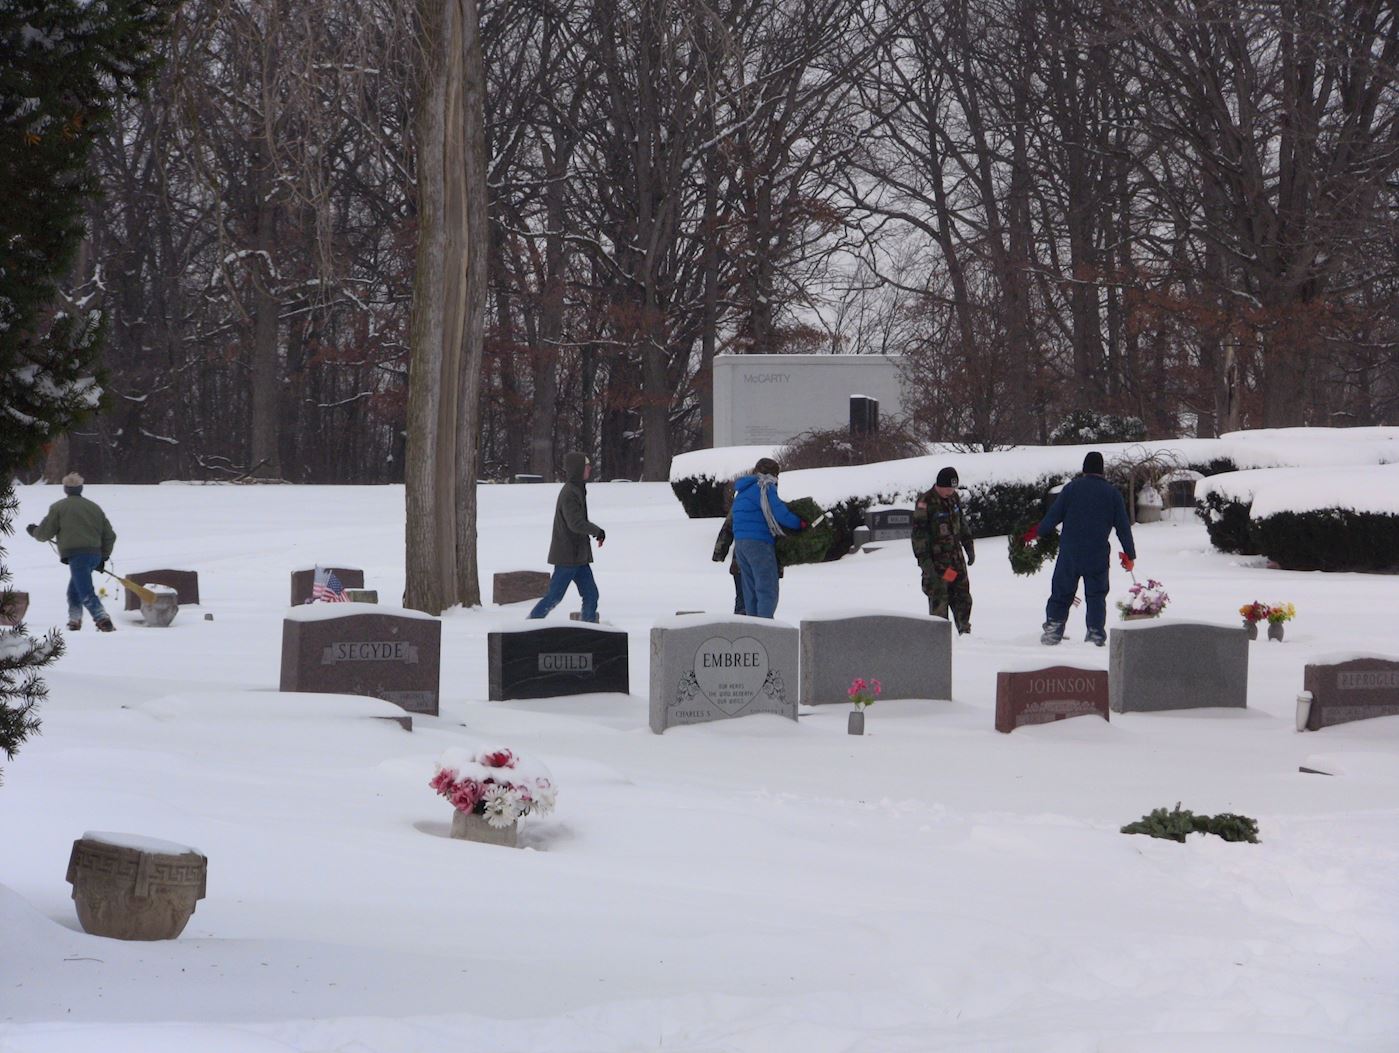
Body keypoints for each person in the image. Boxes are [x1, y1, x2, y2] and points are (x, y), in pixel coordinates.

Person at [1025, 451, 1136, 646]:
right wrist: (1129, 554)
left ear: (1084, 469)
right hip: (1097, 553)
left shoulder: (1071, 489)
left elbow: (1054, 516)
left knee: (1062, 591)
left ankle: (1054, 628)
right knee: (1096, 595)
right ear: (1102, 470)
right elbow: (1123, 528)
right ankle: (1094, 633)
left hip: (1070, 553)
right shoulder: (1112, 494)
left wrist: (1037, 532)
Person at [27, 472, 117, 632]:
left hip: (77, 556)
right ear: (81, 488)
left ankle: (102, 619)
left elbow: (44, 534)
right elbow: (110, 535)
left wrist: (34, 531)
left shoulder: (58, 507)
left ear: (66, 489)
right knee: (74, 590)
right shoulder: (94, 508)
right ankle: (74, 621)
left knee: (85, 590)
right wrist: (103, 556)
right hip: (94, 555)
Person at [528, 451, 606, 622]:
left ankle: (589, 630)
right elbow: (575, 523)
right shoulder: (569, 493)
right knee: (554, 597)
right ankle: (529, 627)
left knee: (591, 595)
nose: (590, 468)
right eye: (586, 466)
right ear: (578, 469)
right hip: (567, 557)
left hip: (579, 557)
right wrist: (596, 531)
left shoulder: (578, 489)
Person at [729, 457, 804, 619]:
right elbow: (779, 513)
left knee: (750, 589)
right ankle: (766, 628)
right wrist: (799, 523)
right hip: (759, 543)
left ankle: (754, 627)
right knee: (767, 587)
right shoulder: (764, 486)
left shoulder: (742, 491)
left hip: (741, 545)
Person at [911, 466, 974, 634]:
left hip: (955, 562)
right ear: (939, 485)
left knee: (963, 598)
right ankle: (939, 639)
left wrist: (969, 546)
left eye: (953, 488)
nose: (950, 492)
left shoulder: (954, 498)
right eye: (947, 488)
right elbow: (919, 537)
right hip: (939, 566)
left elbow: (962, 522)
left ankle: (965, 633)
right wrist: (926, 564)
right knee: (940, 599)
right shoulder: (925, 503)